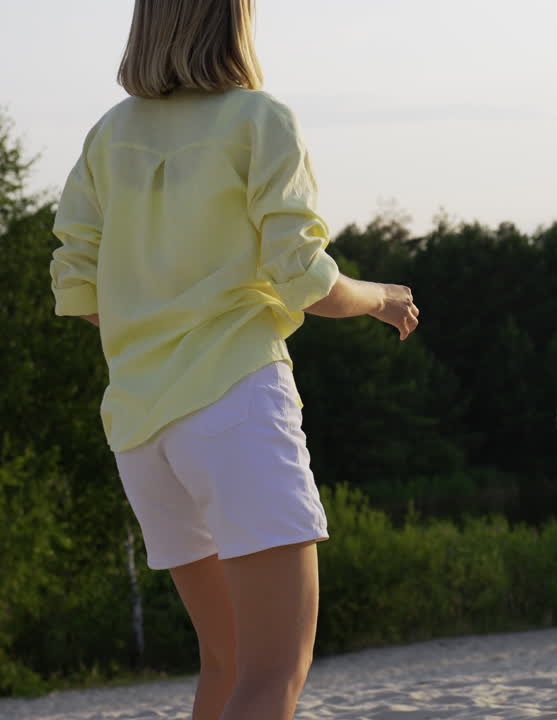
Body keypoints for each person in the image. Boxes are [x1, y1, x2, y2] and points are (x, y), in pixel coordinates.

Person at [49, 2, 419, 718]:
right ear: (233, 21)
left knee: (224, 666)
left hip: (140, 434)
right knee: (274, 672)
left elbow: (77, 285)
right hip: (236, 407)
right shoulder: (259, 119)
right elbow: (305, 277)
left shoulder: (107, 136)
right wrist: (381, 297)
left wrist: (154, 318)